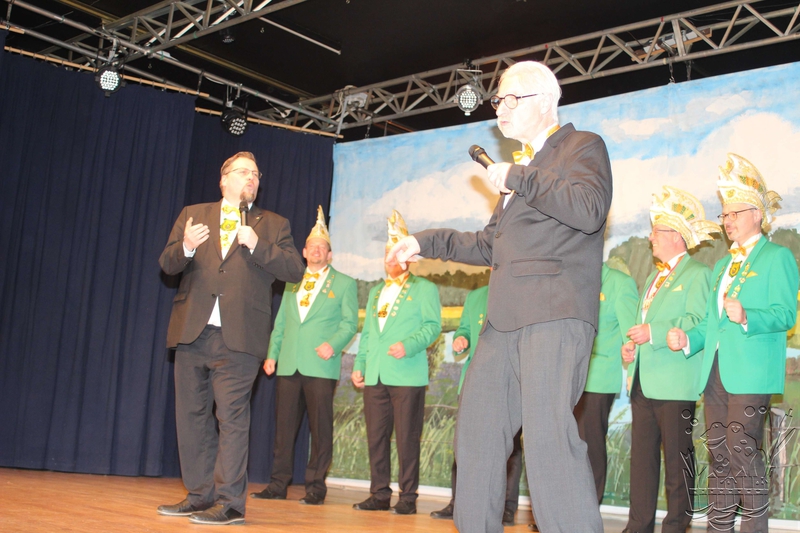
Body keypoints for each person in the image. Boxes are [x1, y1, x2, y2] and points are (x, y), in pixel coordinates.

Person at [389, 61, 613, 533]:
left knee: (549, 442)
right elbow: (490, 245)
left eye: (511, 99)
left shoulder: (582, 145)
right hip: (502, 324)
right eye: (497, 101)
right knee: (476, 439)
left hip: (553, 315)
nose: (500, 109)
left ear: (546, 101)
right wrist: (425, 242)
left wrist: (521, 177)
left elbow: (590, 209)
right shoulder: (522, 169)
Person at [157, 151, 305, 526]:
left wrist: (258, 245)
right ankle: (199, 495)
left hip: (240, 338)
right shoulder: (193, 214)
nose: (251, 177)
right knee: (191, 418)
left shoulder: (273, 224)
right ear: (223, 180)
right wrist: (186, 246)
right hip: (192, 331)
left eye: (255, 173)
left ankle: (230, 503)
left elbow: (294, 270)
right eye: (242, 172)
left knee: (232, 419)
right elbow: (167, 264)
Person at [667, 154, 799, 533]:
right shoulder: (722, 265)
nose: (727, 221)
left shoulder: (777, 257)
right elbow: (712, 323)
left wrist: (747, 316)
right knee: (720, 457)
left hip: (751, 372)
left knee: (742, 453)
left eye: (734, 213)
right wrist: (688, 338)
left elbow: (785, 314)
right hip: (716, 372)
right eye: (724, 214)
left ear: (757, 214)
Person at [620, 186, 719, 533]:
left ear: (676, 236)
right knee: (642, 464)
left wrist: (655, 332)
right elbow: (643, 324)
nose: (651, 237)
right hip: (643, 382)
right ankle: (638, 526)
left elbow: (698, 321)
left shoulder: (698, 274)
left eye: (657, 231)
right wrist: (631, 347)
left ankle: (676, 527)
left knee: (678, 466)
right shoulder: (652, 276)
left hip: (676, 384)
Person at [250, 206, 358, 505]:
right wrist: (272, 355)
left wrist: (333, 345)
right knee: (284, 431)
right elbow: (281, 323)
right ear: (304, 251)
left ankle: (316, 488)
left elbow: (350, 324)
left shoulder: (345, 283)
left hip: (321, 366)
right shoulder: (291, 281)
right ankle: (277, 485)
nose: (316, 251)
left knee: (320, 430)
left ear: (330, 254)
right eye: (312, 247)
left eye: (322, 247)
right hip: (288, 365)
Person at [351, 210, 442, 515]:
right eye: (386, 253)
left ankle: (408, 497)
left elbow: (433, 327)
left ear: (406, 256)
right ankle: (379, 494)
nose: (389, 258)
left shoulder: (424, 289)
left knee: (406, 439)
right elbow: (368, 334)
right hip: (375, 375)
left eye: (395, 252)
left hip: (407, 376)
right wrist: (359, 365)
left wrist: (409, 345)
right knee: (376, 438)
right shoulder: (376, 292)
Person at [430, 285, 525, 528]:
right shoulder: (475, 296)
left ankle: (506, 506)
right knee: (464, 445)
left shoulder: (522, 289)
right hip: (474, 380)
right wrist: (462, 338)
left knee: (510, 447)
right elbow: (465, 328)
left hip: (510, 381)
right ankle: (459, 503)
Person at [573, 263, 638, 504]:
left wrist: (631, 367)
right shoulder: (573, 276)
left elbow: (632, 336)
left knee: (590, 446)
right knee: (564, 445)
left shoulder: (620, 283)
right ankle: (564, 509)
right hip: (568, 378)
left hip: (598, 380)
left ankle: (588, 509)